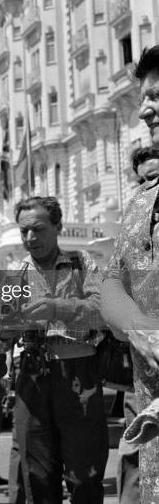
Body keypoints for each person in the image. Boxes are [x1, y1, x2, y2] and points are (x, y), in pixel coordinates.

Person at [0, 196, 107, 504]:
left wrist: (58, 308)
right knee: (36, 476)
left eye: (38, 229)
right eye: (24, 231)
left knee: (86, 473)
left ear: (58, 227)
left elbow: (103, 310)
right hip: (31, 376)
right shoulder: (14, 274)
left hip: (79, 377)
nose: (30, 238)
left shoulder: (82, 263)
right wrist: (5, 329)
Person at [101, 45, 159, 504]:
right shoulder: (142, 199)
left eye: (157, 96)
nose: (144, 110)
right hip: (150, 412)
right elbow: (111, 281)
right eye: (143, 97)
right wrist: (139, 329)